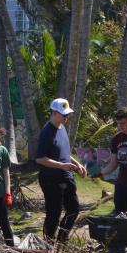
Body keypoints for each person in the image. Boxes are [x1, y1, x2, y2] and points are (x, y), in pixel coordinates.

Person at [35, 98, 87, 241]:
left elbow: (64, 153)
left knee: (73, 209)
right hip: (50, 178)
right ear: (54, 113)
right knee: (54, 213)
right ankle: (48, 244)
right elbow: (40, 158)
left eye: (67, 114)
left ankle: (61, 240)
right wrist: (61, 165)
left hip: (66, 176)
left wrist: (78, 164)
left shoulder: (62, 128)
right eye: (64, 115)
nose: (67, 117)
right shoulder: (46, 132)